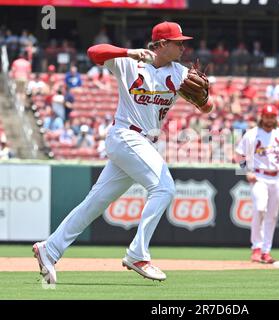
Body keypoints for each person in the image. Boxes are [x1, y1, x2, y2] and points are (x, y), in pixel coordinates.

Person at [32, 21, 213, 284]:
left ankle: (50, 248)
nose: (183, 46)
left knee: (95, 203)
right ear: (162, 44)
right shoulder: (130, 62)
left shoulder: (180, 73)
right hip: (126, 134)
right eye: (178, 42)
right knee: (164, 188)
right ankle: (138, 254)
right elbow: (94, 52)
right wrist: (128, 52)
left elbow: (207, 108)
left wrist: (203, 99)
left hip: (144, 143)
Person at [235, 104, 279, 264]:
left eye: (272, 116)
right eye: (267, 116)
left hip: (277, 177)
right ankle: (256, 248)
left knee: (272, 216)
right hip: (259, 176)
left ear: (276, 118)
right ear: (262, 117)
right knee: (260, 209)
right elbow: (239, 155)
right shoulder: (252, 134)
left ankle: (266, 251)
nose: (270, 119)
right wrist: (246, 172)